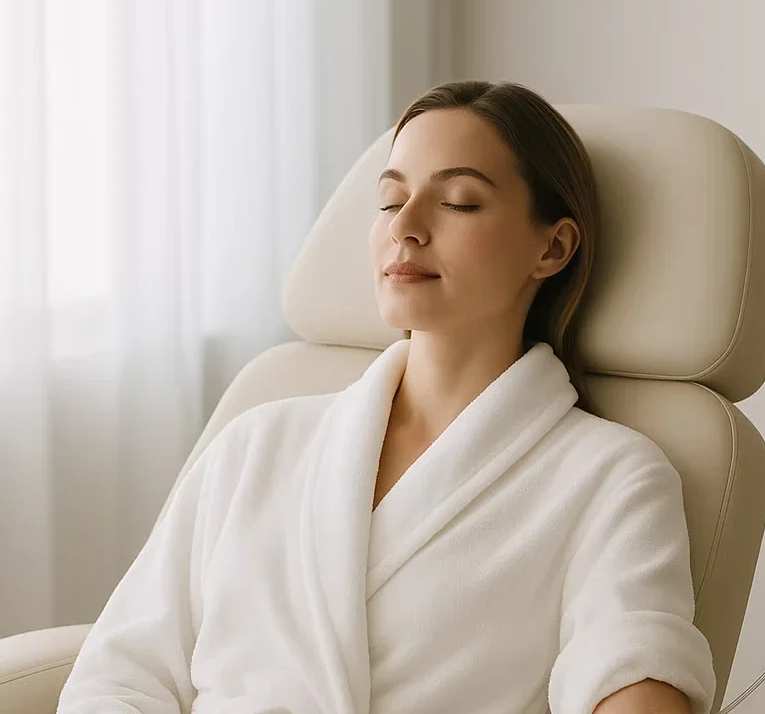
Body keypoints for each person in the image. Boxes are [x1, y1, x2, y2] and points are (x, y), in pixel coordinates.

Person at [57, 81, 717, 714]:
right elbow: (122, 672)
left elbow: (631, 664)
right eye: (389, 199)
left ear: (553, 247)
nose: (406, 226)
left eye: (458, 201)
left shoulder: (610, 476)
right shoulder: (257, 443)